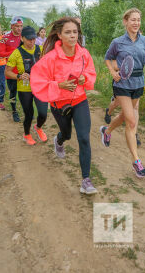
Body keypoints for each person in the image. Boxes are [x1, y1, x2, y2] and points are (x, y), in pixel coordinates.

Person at [30, 17, 97, 195]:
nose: (72, 35)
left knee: (84, 138)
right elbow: (37, 81)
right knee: (67, 134)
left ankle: (86, 180)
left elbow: (91, 72)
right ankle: (59, 140)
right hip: (60, 104)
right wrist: (59, 85)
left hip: (80, 100)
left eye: (75, 32)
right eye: (68, 32)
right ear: (59, 35)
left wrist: (85, 79)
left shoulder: (84, 54)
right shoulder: (50, 58)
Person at [100, 8, 145, 179]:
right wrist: (112, 72)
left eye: (138, 20)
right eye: (133, 20)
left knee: (125, 116)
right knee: (131, 121)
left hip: (138, 83)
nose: (136, 23)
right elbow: (107, 58)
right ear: (125, 22)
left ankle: (107, 131)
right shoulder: (117, 42)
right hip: (122, 83)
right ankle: (136, 161)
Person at [5, 26, 48, 145]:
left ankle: (38, 127)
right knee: (29, 114)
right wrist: (19, 76)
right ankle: (27, 134)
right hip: (25, 89)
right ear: (22, 38)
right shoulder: (17, 53)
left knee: (43, 113)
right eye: (29, 39)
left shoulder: (41, 49)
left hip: (40, 86)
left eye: (34, 39)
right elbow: (7, 72)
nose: (32, 41)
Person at [0, 16, 23, 121]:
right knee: (13, 92)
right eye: (17, 26)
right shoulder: (5, 38)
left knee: (26, 92)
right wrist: (13, 52)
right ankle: (14, 112)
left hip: (24, 70)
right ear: (12, 26)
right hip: (11, 71)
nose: (19, 28)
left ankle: (27, 110)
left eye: (21, 26)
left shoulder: (24, 37)